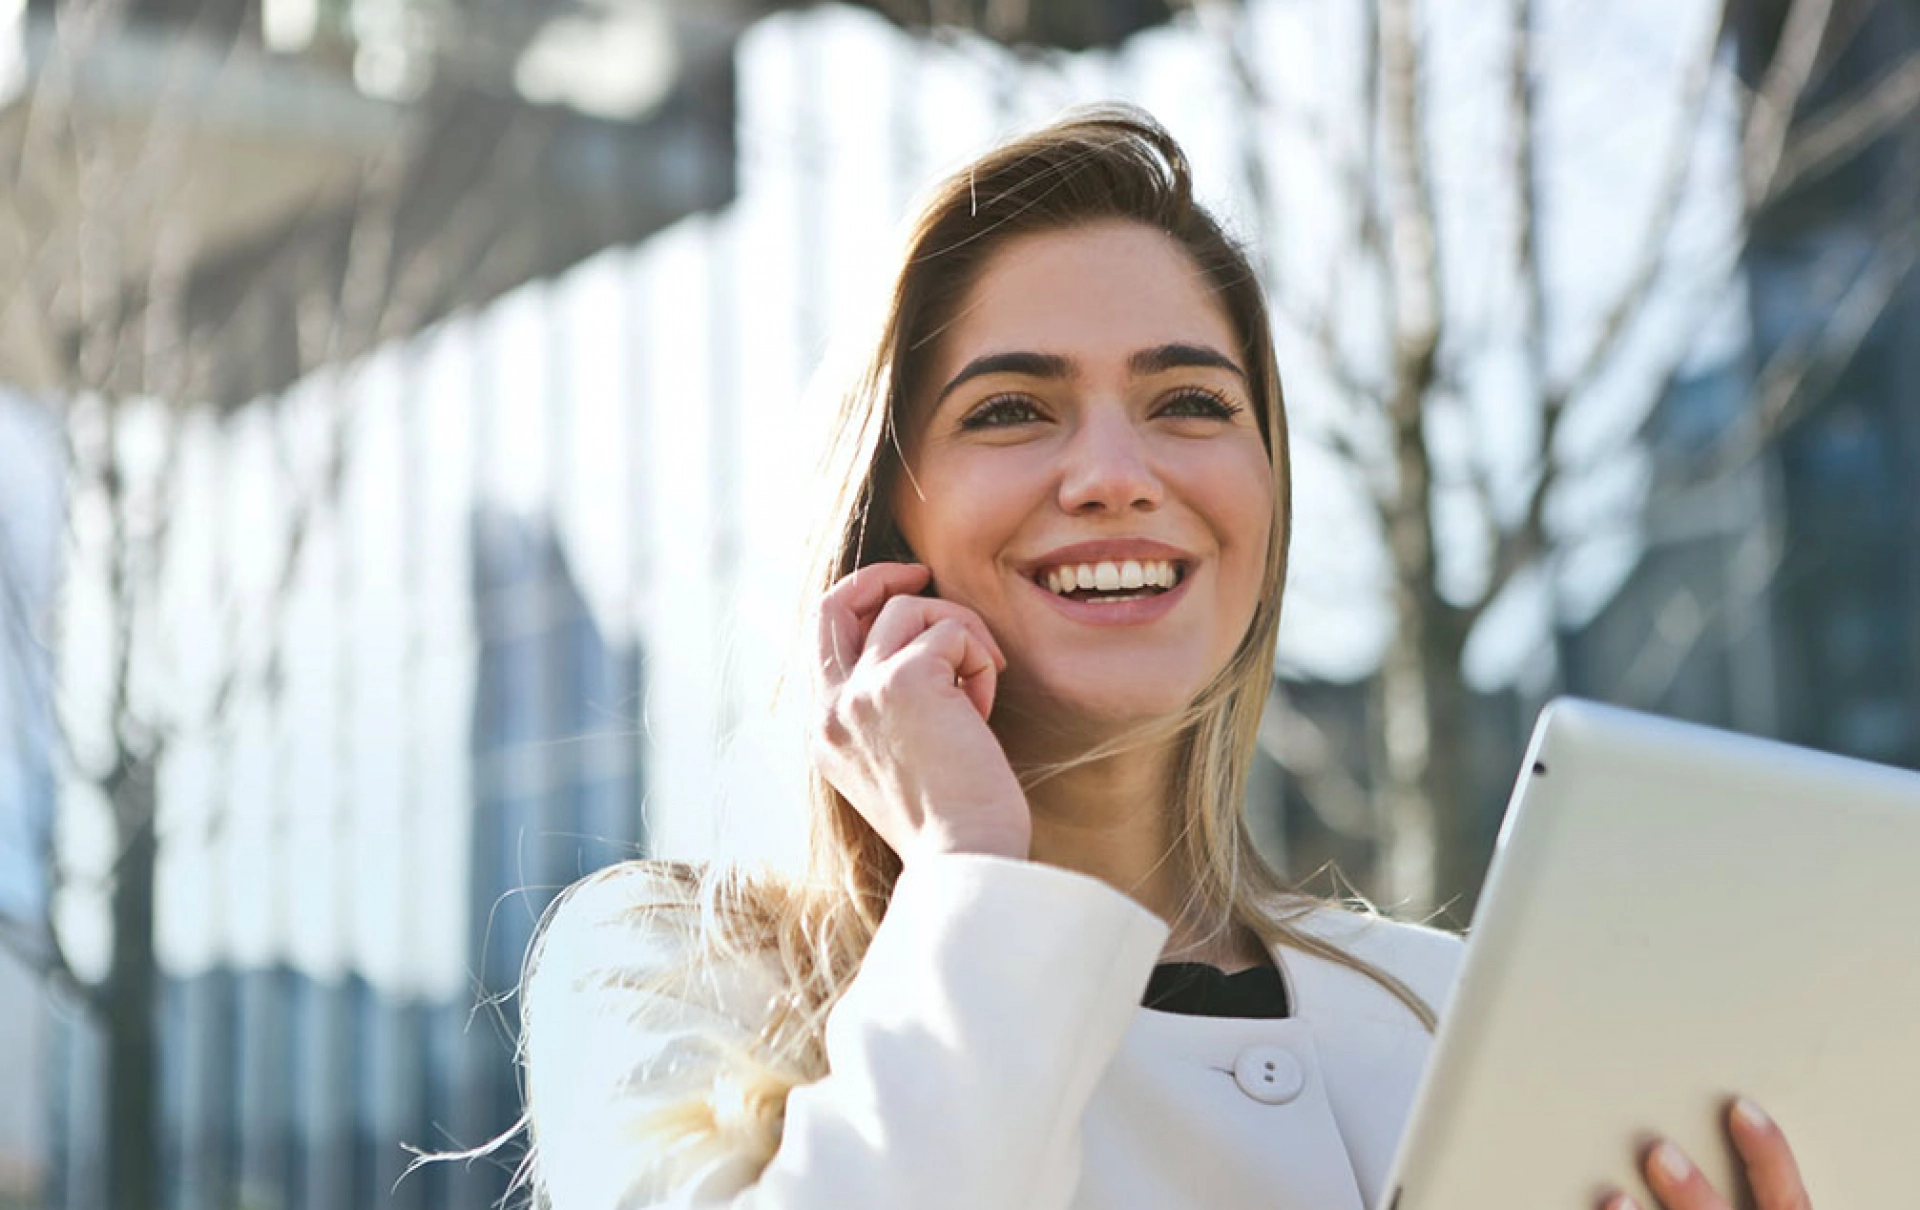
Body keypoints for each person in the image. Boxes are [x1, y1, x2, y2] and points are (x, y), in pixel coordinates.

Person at [519, 107, 1812, 1210]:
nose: (1115, 475)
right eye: (1011, 408)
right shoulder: (670, 975)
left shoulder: (1455, 1015)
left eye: (1191, 402)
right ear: (886, 517)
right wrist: (971, 870)